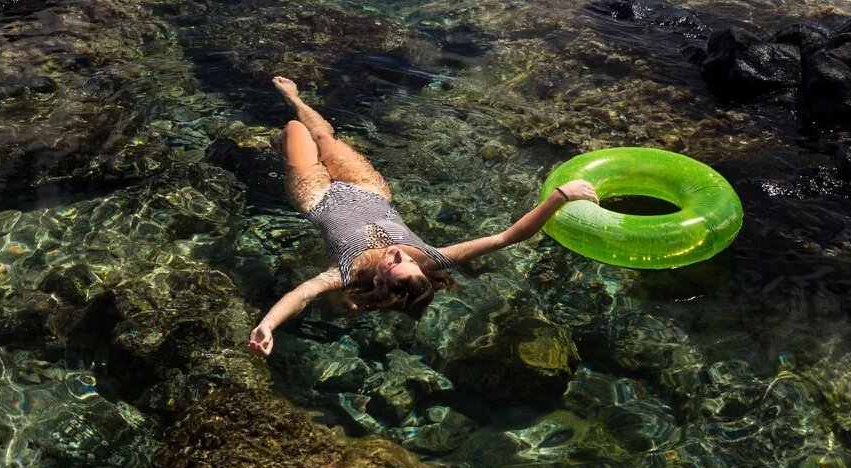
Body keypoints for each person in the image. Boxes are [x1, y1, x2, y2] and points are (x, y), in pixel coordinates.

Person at [246, 76, 599, 356]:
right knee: (323, 134)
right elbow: (506, 238)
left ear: (379, 284)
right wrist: (560, 196)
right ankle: (295, 97)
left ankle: (278, 138)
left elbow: (303, 294)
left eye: (396, 264)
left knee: (295, 129)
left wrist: (269, 324)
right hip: (369, 189)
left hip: (316, 195)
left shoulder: (345, 274)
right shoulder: (432, 259)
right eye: (409, 263)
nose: (401, 253)